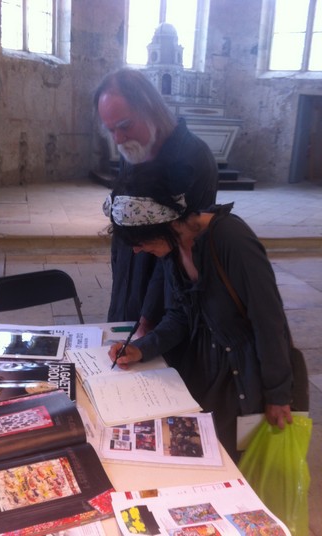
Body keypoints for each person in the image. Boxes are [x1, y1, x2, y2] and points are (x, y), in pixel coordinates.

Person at [103, 165, 308, 462]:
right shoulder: (173, 249)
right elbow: (179, 316)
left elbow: (269, 321)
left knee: (238, 461)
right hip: (202, 372)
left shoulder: (231, 240)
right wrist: (142, 348)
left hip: (243, 379)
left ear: (165, 224)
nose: (137, 250)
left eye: (141, 241)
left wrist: (278, 394)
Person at [94, 68, 218, 335]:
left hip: (168, 313)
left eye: (124, 126)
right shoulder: (132, 149)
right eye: (111, 130)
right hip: (127, 290)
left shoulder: (193, 159)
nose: (118, 139)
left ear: (151, 109)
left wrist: (148, 317)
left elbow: (184, 247)